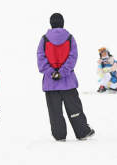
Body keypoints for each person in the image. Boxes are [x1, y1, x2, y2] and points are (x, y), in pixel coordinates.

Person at [36, 12, 95, 141]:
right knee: (74, 107)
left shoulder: (44, 39)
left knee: (54, 111)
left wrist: (52, 72)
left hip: (50, 83)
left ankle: (59, 135)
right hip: (68, 81)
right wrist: (62, 72)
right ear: (63, 23)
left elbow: (41, 58)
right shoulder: (70, 38)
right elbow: (73, 57)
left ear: (50, 23)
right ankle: (82, 132)